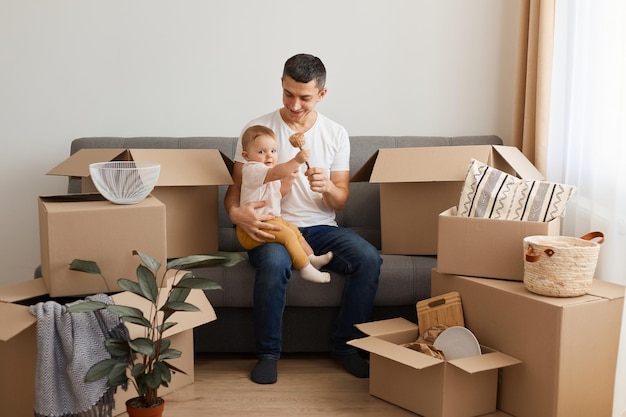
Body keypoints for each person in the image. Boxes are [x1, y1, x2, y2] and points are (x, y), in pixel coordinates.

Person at [225, 53, 381, 384]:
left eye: (305, 97)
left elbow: (341, 199)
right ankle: (268, 355)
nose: (295, 105)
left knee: (368, 259)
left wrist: (327, 189)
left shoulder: (336, 133)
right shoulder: (257, 132)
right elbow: (236, 189)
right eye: (288, 94)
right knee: (273, 264)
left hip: (321, 227)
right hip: (270, 224)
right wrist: (237, 214)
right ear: (281, 85)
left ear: (322, 94)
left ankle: (346, 347)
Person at [237, 124, 333, 284]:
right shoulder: (253, 170)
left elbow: (278, 194)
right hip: (254, 228)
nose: (269, 156)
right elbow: (275, 172)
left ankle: (311, 257)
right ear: (246, 156)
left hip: (271, 220)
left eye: (273, 151)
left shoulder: (267, 174)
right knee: (288, 235)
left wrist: (288, 179)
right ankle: (306, 268)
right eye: (261, 152)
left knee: (293, 229)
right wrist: (296, 161)